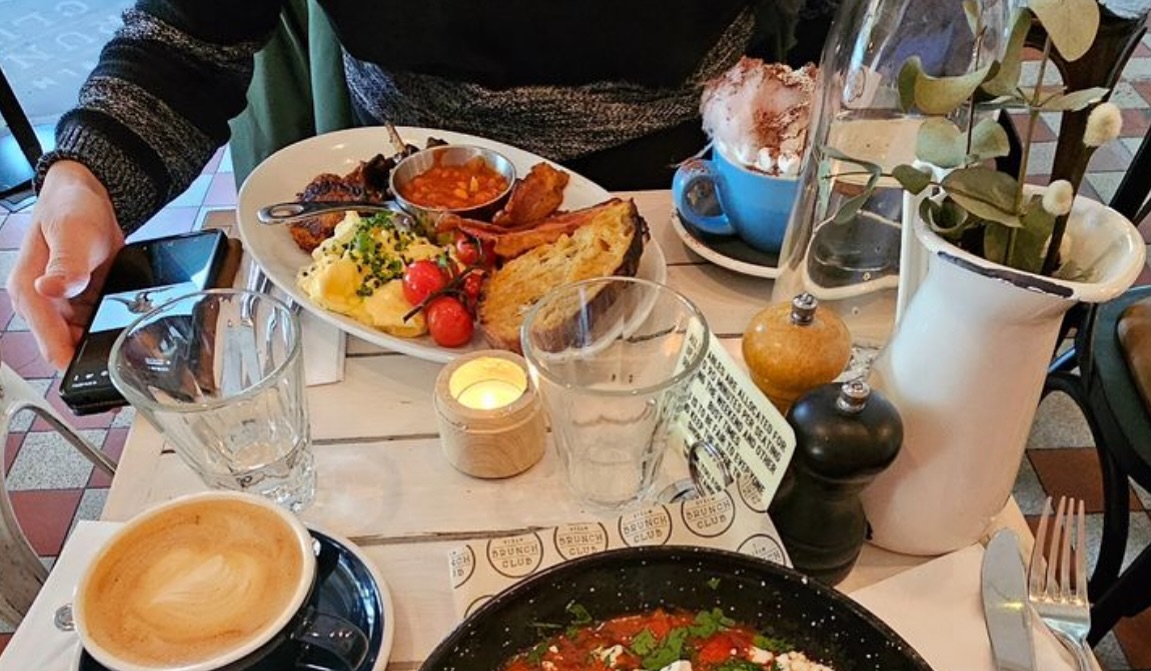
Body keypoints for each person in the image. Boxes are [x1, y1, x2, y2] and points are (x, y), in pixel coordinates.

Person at [10, 0, 836, 372]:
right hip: (398, 218)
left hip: (689, 208)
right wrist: (87, 178)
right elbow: (187, 37)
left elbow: (846, 29)